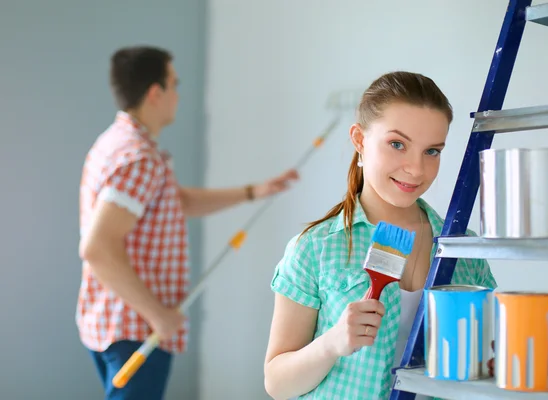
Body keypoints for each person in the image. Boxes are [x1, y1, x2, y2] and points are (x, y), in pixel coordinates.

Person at [77, 45, 299, 400]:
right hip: (136, 328)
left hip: (113, 321)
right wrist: (158, 315)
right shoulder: (139, 158)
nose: (178, 94)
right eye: (174, 84)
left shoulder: (116, 144)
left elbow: (175, 201)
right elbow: (97, 248)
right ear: (155, 92)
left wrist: (254, 191)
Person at [263, 71, 497, 400]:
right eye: (397, 144)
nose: (416, 169)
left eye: (432, 151)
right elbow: (277, 384)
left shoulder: (463, 248)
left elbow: (482, 362)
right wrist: (331, 344)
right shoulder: (316, 248)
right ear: (360, 140)